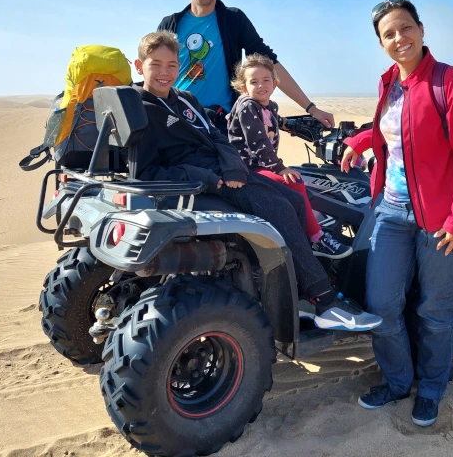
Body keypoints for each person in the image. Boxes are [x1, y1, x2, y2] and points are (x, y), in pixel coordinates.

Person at [132, 30, 382, 332]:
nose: (165, 72)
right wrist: (212, 178)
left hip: (228, 171)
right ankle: (326, 300)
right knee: (280, 209)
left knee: (294, 199)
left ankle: (300, 291)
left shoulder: (185, 98)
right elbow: (147, 172)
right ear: (139, 66)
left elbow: (216, 136)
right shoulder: (141, 110)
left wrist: (232, 166)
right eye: (156, 64)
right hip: (205, 181)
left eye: (172, 65)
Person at [340, 0, 453, 426]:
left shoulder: (452, 82)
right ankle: (398, 382)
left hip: (440, 220)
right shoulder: (389, 82)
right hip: (391, 211)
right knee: (381, 307)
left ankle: (432, 390)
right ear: (381, 43)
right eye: (389, 33)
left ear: (421, 30)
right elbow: (397, 130)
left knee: (435, 312)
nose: (399, 38)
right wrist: (360, 141)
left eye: (405, 27)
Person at [157, 0, 335, 134]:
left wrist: (311, 108)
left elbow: (269, 62)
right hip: (174, 119)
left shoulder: (233, 20)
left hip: (217, 124)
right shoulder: (170, 24)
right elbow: (154, 72)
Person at [227, 53, 352, 259]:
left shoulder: (269, 106)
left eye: (266, 80)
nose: (261, 85)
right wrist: (280, 168)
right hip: (247, 167)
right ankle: (317, 238)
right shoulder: (247, 106)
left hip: (262, 165)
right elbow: (259, 144)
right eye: (254, 82)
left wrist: (297, 126)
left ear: (274, 84)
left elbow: (277, 120)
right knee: (293, 181)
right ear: (244, 88)